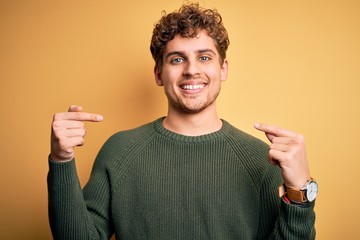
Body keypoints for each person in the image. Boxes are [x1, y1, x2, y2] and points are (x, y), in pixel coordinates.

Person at [48, 3, 317, 239]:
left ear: (223, 69)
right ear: (158, 74)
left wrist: (300, 193)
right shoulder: (119, 151)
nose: (191, 70)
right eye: (177, 59)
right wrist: (61, 160)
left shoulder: (261, 159)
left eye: (204, 57)